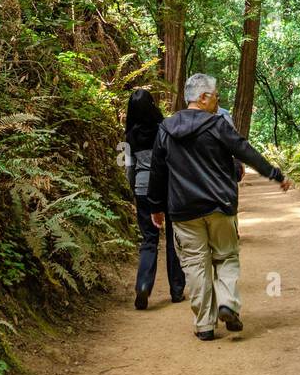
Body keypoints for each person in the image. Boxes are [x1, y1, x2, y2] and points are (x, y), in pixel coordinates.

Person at [148, 72, 291, 340]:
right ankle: (227, 303)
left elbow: (157, 172)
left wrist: (155, 207)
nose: (217, 100)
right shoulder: (217, 126)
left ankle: (204, 324)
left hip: (183, 211)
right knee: (225, 257)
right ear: (203, 98)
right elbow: (246, 151)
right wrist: (275, 174)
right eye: (215, 96)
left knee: (195, 264)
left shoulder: (165, 129)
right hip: (220, 206)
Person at [125, 88, 185, 310]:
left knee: (149, 239)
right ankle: (177, 290)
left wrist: (135, 190)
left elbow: (129, 169)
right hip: (167, 187)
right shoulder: (164, 130)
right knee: (173, 237)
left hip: (143, 189)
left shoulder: (130, 136)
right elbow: (175, 159)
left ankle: (143, 284)